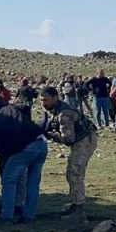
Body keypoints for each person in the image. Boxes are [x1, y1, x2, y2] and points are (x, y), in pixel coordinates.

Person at [0, 105, 47, 224]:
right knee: (33, 181)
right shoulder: (7, 110)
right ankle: (28, 215)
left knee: (8, 180)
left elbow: (0, 152)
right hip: (41, 143)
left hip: (25, 148)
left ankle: (7, 216)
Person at [40, 86, 98, 220]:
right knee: (72, 172)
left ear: (55, 98)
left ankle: (78, 209)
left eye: (46, 100)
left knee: (75, 173)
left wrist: (49, 135)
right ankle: (75, 204)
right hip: (83, 139)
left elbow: (68, 138)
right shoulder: (57, 110)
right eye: (42, 100)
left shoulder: (63, 114)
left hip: (83, 141)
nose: (44, 103)